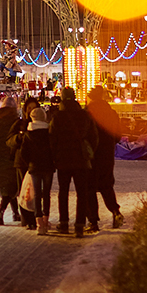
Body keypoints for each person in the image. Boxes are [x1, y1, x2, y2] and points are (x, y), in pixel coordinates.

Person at [49, 87, 98, 238]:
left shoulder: (57, 117)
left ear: (62, 99)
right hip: (81, 159)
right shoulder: (84, 115)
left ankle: (64, 223)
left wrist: (55, 156)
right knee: (81, 193)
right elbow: (94, 137)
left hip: (63, 159)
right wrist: (89, 152)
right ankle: (79, 225)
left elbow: (52, 139)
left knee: (63, 192)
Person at [85, 86, 124, 232]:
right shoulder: (112, 113)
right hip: (107, 155)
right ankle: (115, 211)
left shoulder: (88, 113)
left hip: (92, 155)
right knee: (106, 186)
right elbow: (118, 135)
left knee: (90, 188)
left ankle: (93, 222)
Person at [7, 97, 40, 230]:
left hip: (37, 162)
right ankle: (26, 218)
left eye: (34, 108)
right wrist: (19, 138)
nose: (31, 111)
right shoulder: (20, 124)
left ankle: (36, 216)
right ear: (25, 110)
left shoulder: (42, 124)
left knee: (37, 192)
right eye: (29, 108)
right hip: (21, 161)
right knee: (24, 191)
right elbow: (9, 140)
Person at [21, 107, 55, 235]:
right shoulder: (49, 133)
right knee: (46, 193)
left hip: (34, 167)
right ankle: (46, 220)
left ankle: (39, 222)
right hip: (48, 167)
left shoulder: (28, 134)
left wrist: (29, 163)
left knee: (36, 195)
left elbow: (23, 153)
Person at [0, 96, 20, 225]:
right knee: (13, 185)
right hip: (13, 157)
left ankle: (15, 213)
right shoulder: (16, 121)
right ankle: (1, 210)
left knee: (7, 186)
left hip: (0, 157)